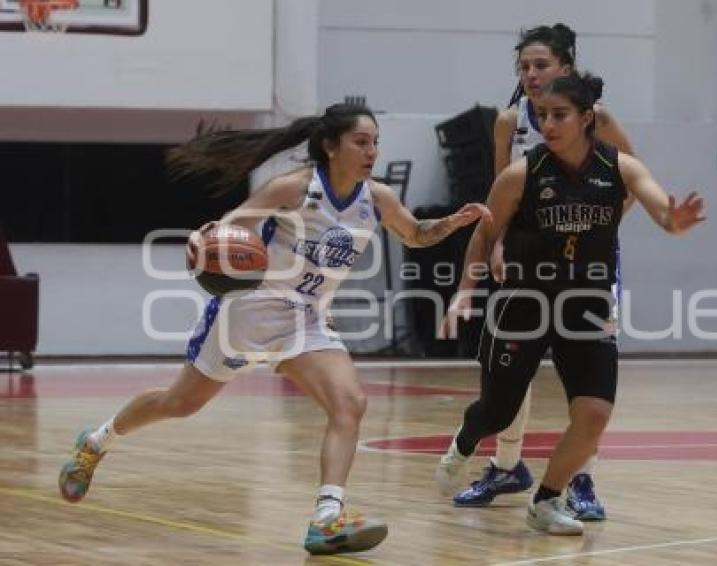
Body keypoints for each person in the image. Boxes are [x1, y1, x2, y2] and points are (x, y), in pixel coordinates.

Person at [57, 103, 491, 556]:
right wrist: (205, 237)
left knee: (350, 404)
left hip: (306, 319)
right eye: (361, 142)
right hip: (248, 312)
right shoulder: (296, 188)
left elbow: (416, 234)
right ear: (331, 145)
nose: (371, 151)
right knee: (180, 403)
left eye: (376, 142)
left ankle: (326, 518)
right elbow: (232, 223)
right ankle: (95, 441)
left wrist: (450, 224)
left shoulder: (376, 198)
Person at [437, 73, 705, 535]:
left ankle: (546, 500)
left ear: (587, 119)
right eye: (542, 115)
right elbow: (485, 232)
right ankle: (465, 439)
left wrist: (674, 221)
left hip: (585, 304)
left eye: (559, 115)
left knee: (595, 413)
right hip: (525, 301)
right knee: (497, 411)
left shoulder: (620, 167)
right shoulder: (523, 173)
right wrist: (465, 289)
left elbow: (661, 209)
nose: (548, 124)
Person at [437, 23, 635, 519]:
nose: (530, 74)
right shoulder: (509, 121)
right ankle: (507, 466)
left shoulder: (598, 120)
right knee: (513, 374)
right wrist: (500, 244)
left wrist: (597, 227)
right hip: (527, 263)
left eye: (541, 65)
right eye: (523, 66)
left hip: (586, 270)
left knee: (584, 385)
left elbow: (630, 181)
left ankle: (579, 483)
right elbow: (499, 195)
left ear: (566, 68)